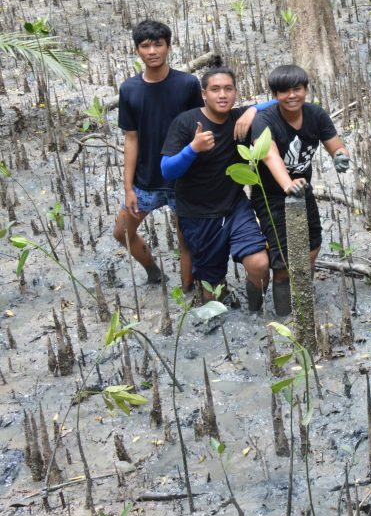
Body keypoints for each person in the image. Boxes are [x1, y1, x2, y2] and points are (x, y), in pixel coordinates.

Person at [114, 20, 260, 291]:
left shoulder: (187, 84)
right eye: (145, 46)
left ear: (168, 47)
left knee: (187, 242)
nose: (153, 51)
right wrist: (128, 187)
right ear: (137, 51)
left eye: (158, 44)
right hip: (146, 179)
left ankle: (188, 289)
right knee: (121, 232)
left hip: (184, 179)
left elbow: (206, 120)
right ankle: (153, 272)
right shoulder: (129, 89)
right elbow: (130, 138)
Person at [160, 67, 270, 310]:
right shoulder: (186, 123)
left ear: (236, 93)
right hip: (198, 215)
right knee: (212, 287)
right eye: (215, 89)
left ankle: (255, 315)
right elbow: (167, 170)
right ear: (203, 94)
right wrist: (193, 148)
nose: (222, 95)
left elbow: (279, 100)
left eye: (228, 89)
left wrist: (252, 110)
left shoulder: (239, 118)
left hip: (235, 208)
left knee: (260, 265)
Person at [250, 65, 351, 316]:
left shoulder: (316, 114)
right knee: (282, 265)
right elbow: (270, 156)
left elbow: (336, 145)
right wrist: (287, 184)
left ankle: (302, 295)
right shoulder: (264, 120)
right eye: (284, 91)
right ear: (275, 95)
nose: (292, 95)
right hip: (272, 196)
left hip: (303, 191)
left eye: (297, 89)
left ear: (306, 90)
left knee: (312, 245)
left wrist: (341, 156)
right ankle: (284, 318)